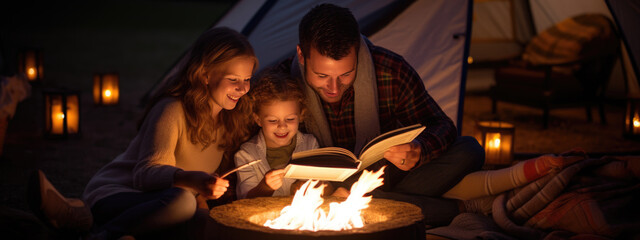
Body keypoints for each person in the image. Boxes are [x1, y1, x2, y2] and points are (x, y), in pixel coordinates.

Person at [31, 27, 258, 240]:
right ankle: (93, 230)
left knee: (207, 222)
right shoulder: (173, 109)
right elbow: (145, 174)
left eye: (247, 79)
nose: (242, 88)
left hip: (165, 205)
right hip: (118, 196)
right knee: (183, 203)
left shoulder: (228, 122)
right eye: (233, 80)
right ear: (205, 74)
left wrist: (203, 198)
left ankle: (95, 226)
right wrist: (192, 180)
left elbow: (197, 196)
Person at [276, 3, 485, 226]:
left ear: (356, 53)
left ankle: (350, 199)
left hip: (386, 175)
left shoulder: (390, 70)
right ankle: (451, 210)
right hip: (321, 187)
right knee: (323, 195)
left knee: (469, 149)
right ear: (301, 55)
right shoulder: (281, 84)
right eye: (321, 76)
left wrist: (418, 150)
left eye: (346, 74)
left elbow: (441, 125)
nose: (334, 88)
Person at [234, 69, 327, 199]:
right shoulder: (247, 155)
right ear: (258, 120)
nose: (282, 126)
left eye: (290, 119)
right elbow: (244, 201)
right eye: (273, 120)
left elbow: (322, 185)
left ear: (300, 116)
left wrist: (313, 187)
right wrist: (265, 187)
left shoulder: (310, 144)